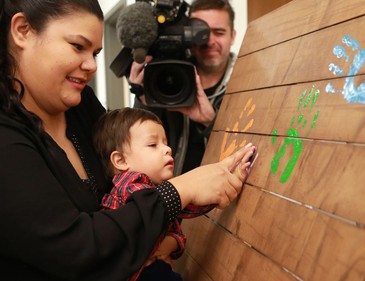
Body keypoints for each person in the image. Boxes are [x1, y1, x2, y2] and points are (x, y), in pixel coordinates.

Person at [0, 1, 256, 280]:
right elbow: (75, 250)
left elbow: (134, 170)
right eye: (77, 46)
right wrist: (179, 190)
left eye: (95, 53)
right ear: (22, 30)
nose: (90, 66)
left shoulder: (79, 103)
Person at [94, 107, 235, 281]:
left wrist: (168, 245)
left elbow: (178, 231)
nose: (167, 149)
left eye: (165, 142)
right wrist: (216, 190)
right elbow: (186, 205)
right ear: (121, 161)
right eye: (153, 145)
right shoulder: (131, 186)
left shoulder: (155, 190)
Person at [129, 0, 237, 175]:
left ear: (233, 35)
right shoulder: (165, 74)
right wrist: (143, 98)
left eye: (219, 32)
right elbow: (140, 150)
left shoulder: (250, 81)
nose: (209, 41)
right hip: (174, 195)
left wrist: (211, 122)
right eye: (200, 33)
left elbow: (252, 151)